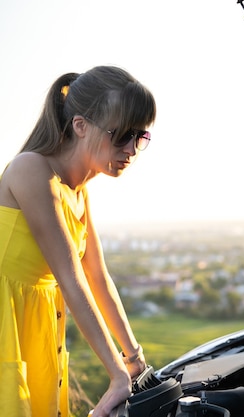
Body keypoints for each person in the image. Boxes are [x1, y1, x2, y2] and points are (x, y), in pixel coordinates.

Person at [0, 66, 157, 417]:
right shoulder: (31, 169)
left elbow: (97, 277)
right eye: (122, 135)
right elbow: (72, 280)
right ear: (81, 125)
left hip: (34, 328)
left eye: (140, 136)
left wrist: (134, 359)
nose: (131, 149)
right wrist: (116, 374)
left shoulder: (77, 192)